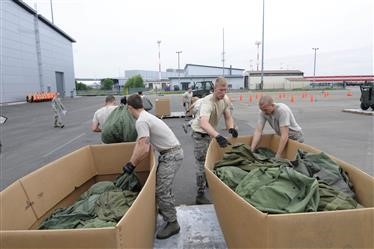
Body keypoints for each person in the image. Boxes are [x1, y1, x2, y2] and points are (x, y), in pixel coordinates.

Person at [123, 94, 184, 240]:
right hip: (171, 153)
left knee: (161, 190)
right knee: (164, 187)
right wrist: (130, 161)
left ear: (130, 108)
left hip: (171, 155)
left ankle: (172, 223)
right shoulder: (146, 116)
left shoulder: (141, 121)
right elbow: (140, 143)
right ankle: (167, 211)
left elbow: (144, 148)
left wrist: (132, 164)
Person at [190, 76, 238, 204]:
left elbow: (228, 116)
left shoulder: (225, 99)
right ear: (214, 89)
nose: (223, 93)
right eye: (220, 90)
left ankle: (207, 182)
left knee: (209, 159)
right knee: (201, 162)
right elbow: (203, 123)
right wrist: (218, 136)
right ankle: (200, 194)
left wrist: (231, 128)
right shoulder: (208, 102)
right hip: (200, 133)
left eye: (225, 90)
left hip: (210, 132)